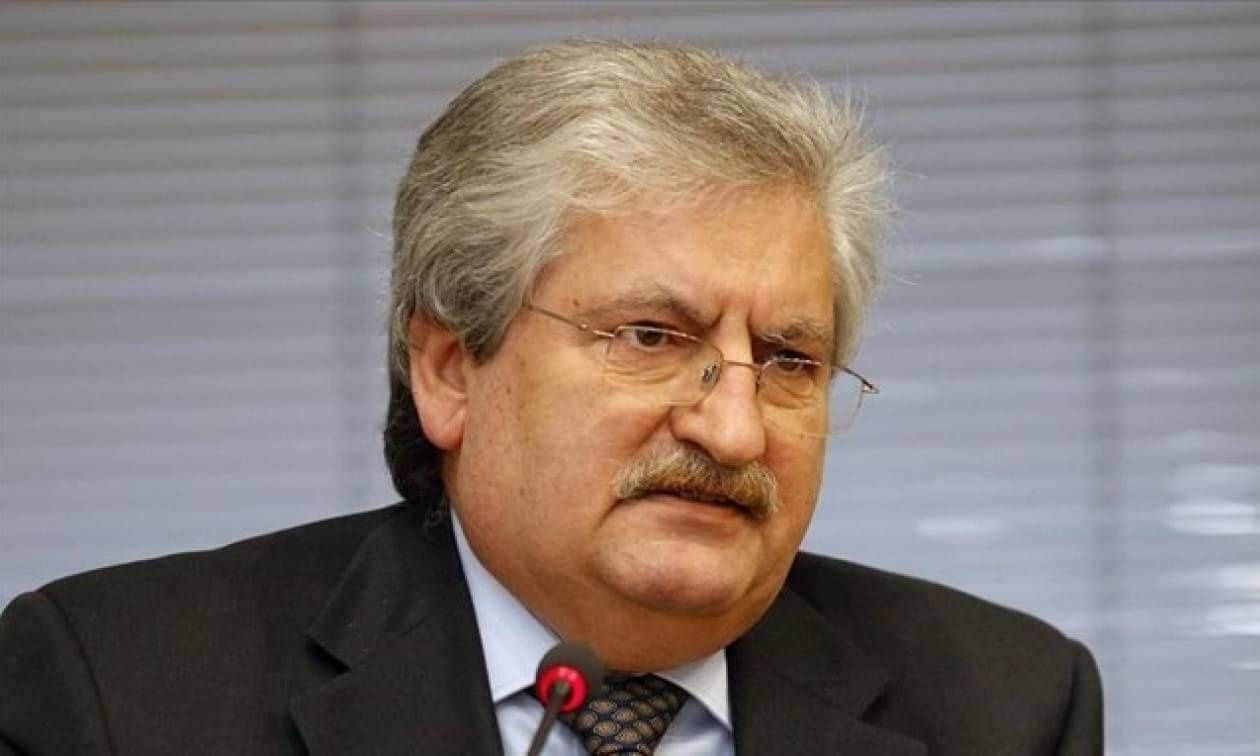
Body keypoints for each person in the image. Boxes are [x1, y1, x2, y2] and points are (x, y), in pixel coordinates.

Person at [0, 40, 1102, 755]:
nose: (733, 428)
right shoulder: (118, 694)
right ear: (449, 371)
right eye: (650, 338)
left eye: (788, 361)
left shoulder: (1004, 710)